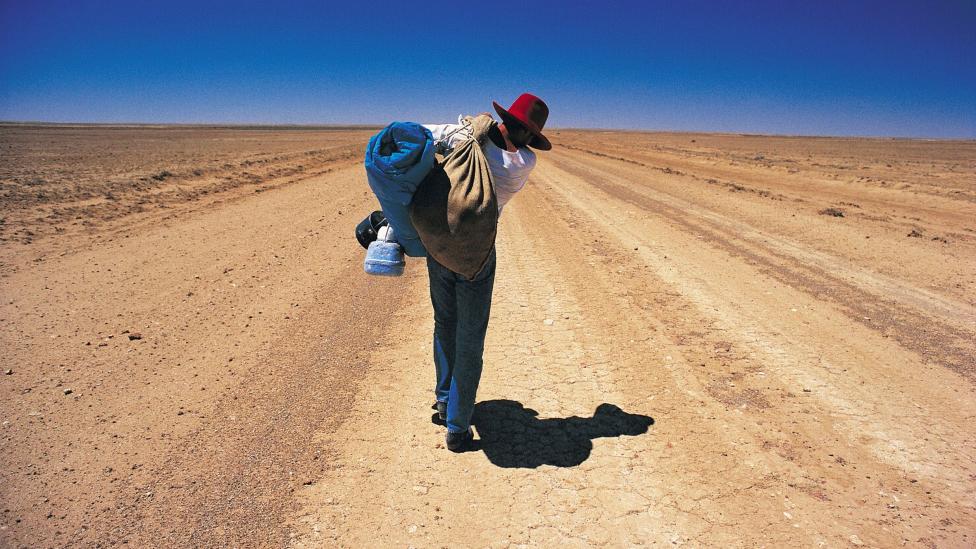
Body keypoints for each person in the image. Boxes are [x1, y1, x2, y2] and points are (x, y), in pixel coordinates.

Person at [421, 93, 552, 451]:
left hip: (440, 244)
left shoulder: (464, 135)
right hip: (476, 253)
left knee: (444, 323)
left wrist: (472, 126)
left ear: (505, 117)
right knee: (470, 338)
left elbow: (420, 133)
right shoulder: (525, 162)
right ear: (531, 134)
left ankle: (445, 400)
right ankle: (457, 427)